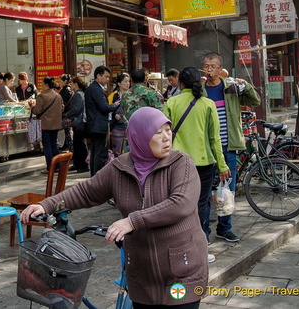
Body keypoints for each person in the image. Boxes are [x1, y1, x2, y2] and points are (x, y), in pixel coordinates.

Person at [21, 107, 208, 309]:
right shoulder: (120, 167)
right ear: (139, 136)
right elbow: (86, 191)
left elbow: (181, 204)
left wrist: (132, 221)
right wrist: (46, 204)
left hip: (181, 271)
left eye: (168, 130)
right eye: (157, 132)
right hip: (142, 275)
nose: (166, 138)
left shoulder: (181, 163)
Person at [164, 67, 229, 259]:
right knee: (201, 203)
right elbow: (214, 139)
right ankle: (199, 247)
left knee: (177, 202)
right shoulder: (208, 104)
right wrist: (222, 165)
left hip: (176, 161)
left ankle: (177, 245)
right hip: (204, 162)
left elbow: (164, 134)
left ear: (180, 83)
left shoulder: (171, 102)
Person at [201, 52, 260, 243]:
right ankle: (203, 231)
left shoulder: (232, 88)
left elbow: (255, 101)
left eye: (212, 66)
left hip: (229, 146)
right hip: (206, 148)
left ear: (220, 69)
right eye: (206, 66)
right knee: (205, 190)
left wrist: (247, 86)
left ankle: (224, 228)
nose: (209, 70)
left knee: (228, 189)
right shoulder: (199, 90)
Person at [85, 66, 120, 176]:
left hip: (94, 125)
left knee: (95, 153)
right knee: (100, 154)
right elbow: (104, 108)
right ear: (98, 76)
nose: (108, 79)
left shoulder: (92, 88)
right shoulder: (96, 89)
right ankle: (98, 179)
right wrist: (115, 105)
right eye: (106, 77)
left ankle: (94, 178)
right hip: (99, 126)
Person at [31, 76, 64, 172]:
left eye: (42, 84)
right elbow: (62, 108)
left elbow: (37, 110)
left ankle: (50, 167)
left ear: (46, 84)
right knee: (54, 144)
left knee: (47, 145)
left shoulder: (42, 96)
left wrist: (32, 107)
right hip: (56, 124)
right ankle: (57, 165)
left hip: (45, 125)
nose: (41, 85)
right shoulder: (58, 96)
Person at [63, 77, 88, 173]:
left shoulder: (79, 95)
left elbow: (76, 109)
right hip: (78, 121)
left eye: (72, 83)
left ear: (76, 84)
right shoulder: (79, 94)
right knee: (77, 143)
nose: (71, 85)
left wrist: (66, 114)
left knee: (80, 143)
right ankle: (78, 164)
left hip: (80, 121)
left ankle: (83, 164)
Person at [109, 73, 131, 159]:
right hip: (117, 126)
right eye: (125, 82)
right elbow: (108, 109)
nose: (127, 83)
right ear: (119, 83)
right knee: (116, 151)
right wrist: (115, 114)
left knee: (129, 150)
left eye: (128, 82)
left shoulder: (131, 95)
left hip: (129, 125)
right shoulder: (113, 96)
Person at [57, 74, 74, 152]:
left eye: (60, 81)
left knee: (59, 129)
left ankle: (71, 149)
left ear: (65, 81)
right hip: (69, 115)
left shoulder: (65, 91)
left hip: (66, 115)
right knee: (68, 132)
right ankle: (70, 148)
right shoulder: (70, 90)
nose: (59, 82)